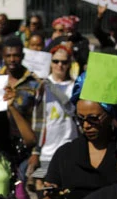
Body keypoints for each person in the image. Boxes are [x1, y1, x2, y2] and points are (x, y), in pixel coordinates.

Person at [28, 43, 79, 186]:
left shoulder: (74, 85)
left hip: (68, 148)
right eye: (56, 61)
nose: (59, 65)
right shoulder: (39, 85)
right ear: (50, 63)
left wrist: (50, 86)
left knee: (63, 188)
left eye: (64, 62)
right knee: (41, 186)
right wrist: (35, 151)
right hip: (46, 150)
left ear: (69, 64)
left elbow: (71, 109)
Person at [0, 37, 40, 120]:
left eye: (16, 56)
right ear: (3, 56)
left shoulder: (34, 83)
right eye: (8, 56)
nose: (12, 59)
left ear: (22, 56)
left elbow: (39, 115)